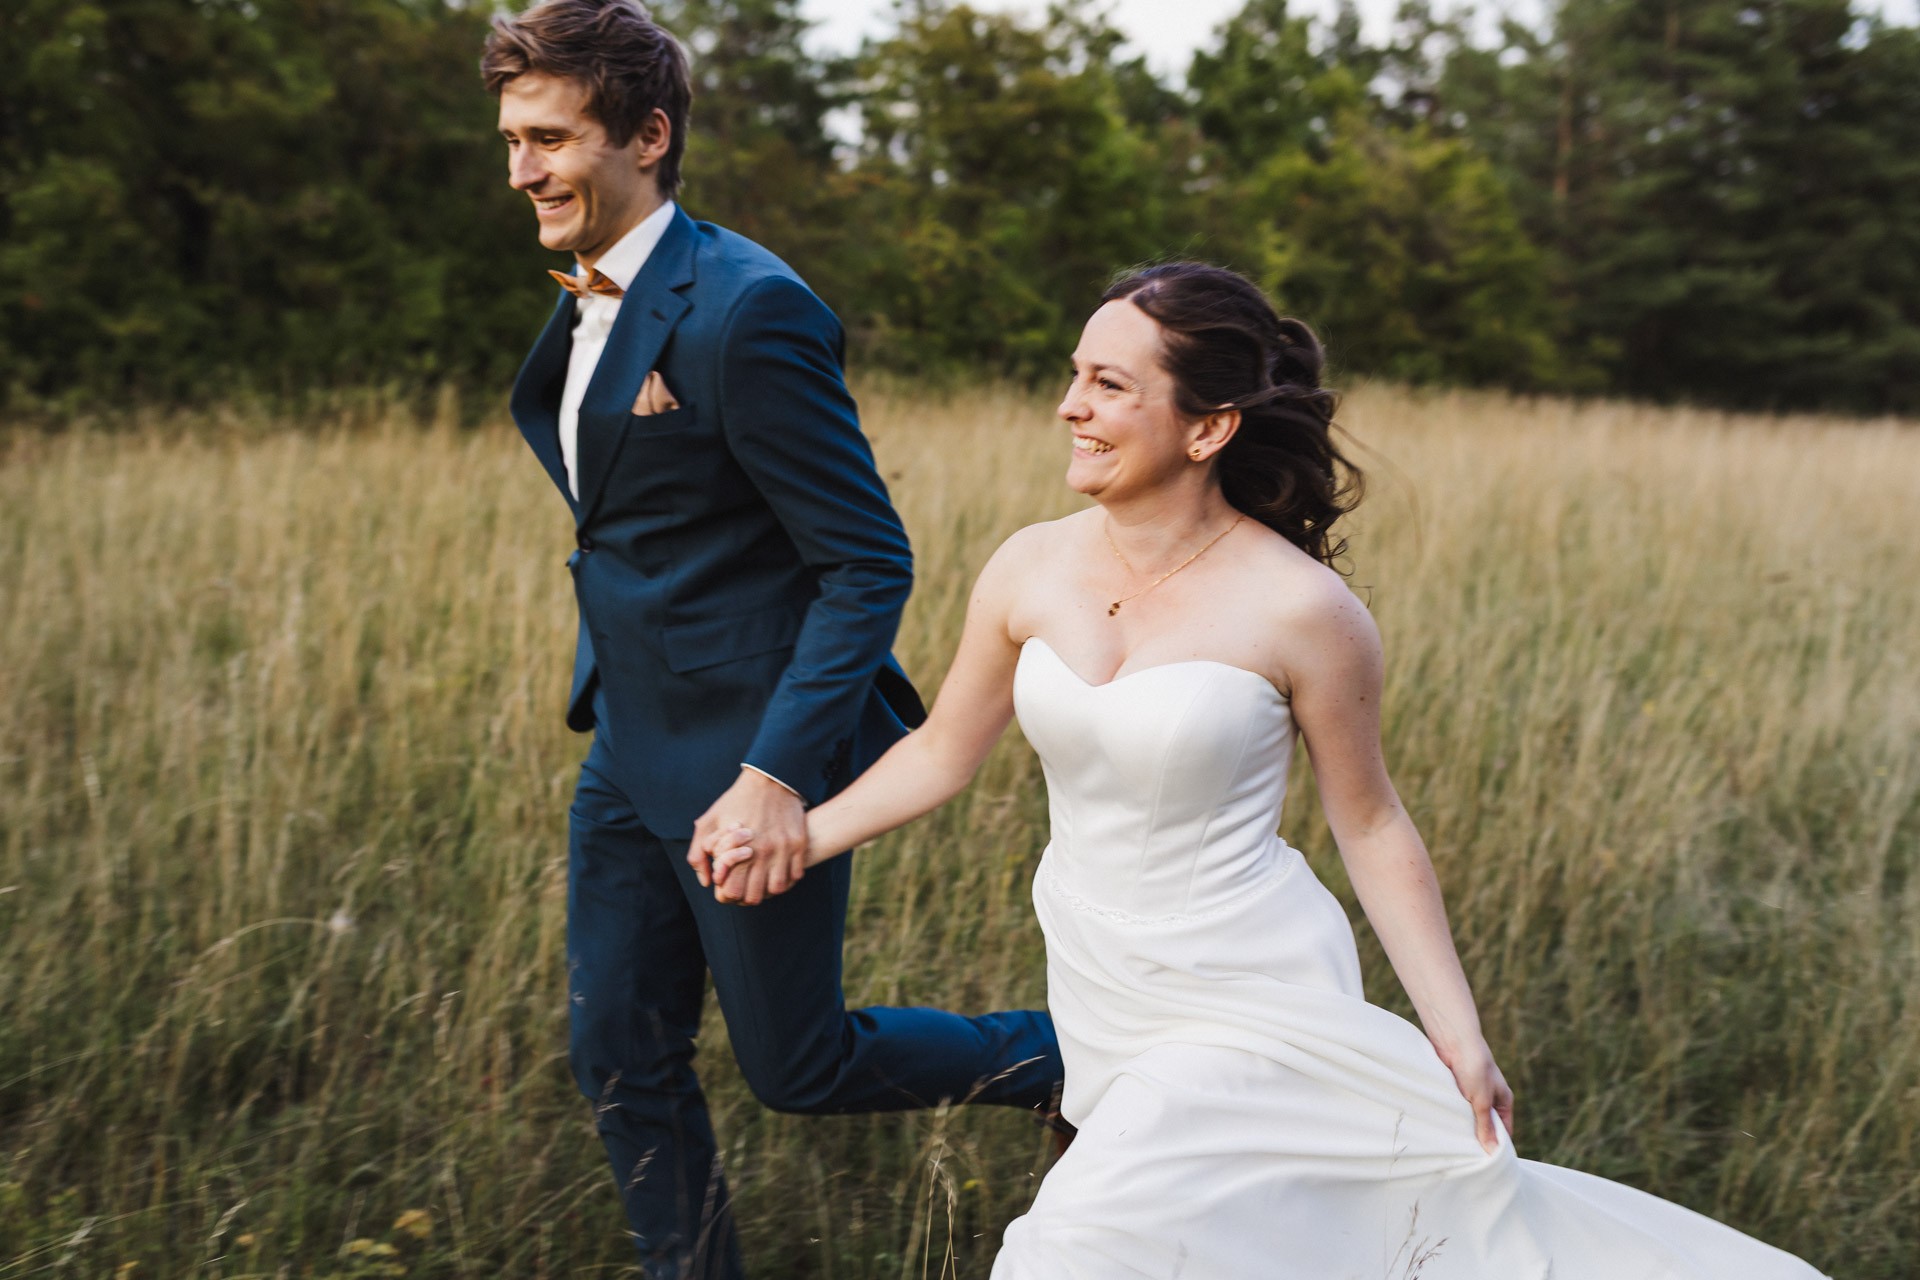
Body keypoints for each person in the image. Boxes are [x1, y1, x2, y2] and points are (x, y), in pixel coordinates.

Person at [698, 263, 1829, 1278]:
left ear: (1207, 427)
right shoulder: (1027, 566)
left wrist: (1459, 1030)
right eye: (1075, 375)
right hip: (1102, 984)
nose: (1070, 406)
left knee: (1067, 1249)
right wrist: (796, 835)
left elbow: (1374, 825)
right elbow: (943, 752)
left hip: (1247, 991)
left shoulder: (1304, 610)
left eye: (1108, 384)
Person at [481, 3, 1062, 1276]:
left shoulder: (749, 311)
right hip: (627, 740)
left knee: (800, 1065)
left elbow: (868, 561)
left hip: (756, 758)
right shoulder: (586, 290)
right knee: (617, 1051)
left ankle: (1068, 1057)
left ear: (648, 134)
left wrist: (774, 775)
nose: (521, 171)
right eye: (512, 140)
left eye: (550, 139)